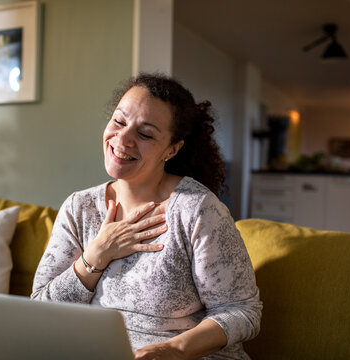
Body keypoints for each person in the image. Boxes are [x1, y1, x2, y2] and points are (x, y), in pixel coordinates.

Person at [31, 73, 262, 359]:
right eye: (119, 121)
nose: (123, 138)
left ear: (172, 149)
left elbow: (243, 311)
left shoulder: (198, 209)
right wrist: (95, 256)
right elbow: (40, 309)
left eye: (145, 134)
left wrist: (174, 348)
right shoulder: (80, 207)